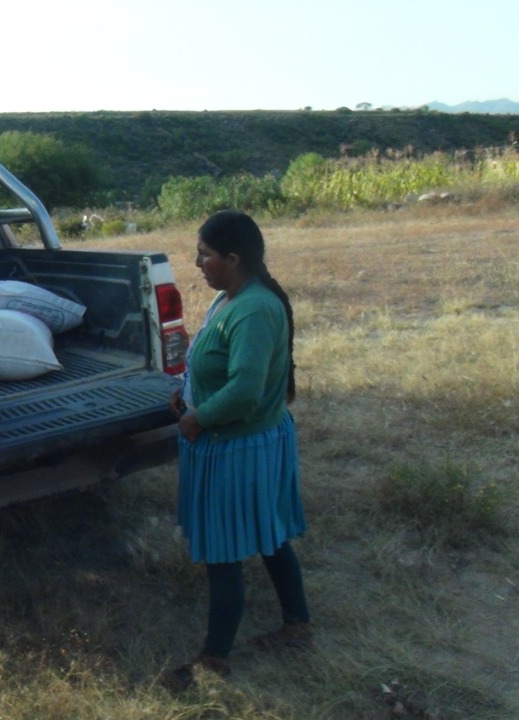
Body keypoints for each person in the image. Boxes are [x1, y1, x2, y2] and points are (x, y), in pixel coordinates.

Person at [161, 210, 311, 691]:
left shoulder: (254, 310)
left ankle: (214, 660)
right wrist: (189, 391)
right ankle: (297, 625)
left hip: (238, 446)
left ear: (233, 257)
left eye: (205, 254)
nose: (197, 262)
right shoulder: (232, 300)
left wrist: (198, 417)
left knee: (225, 551)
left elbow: (245, 390)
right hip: (241, 440)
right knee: (269, 535)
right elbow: (217, 365)